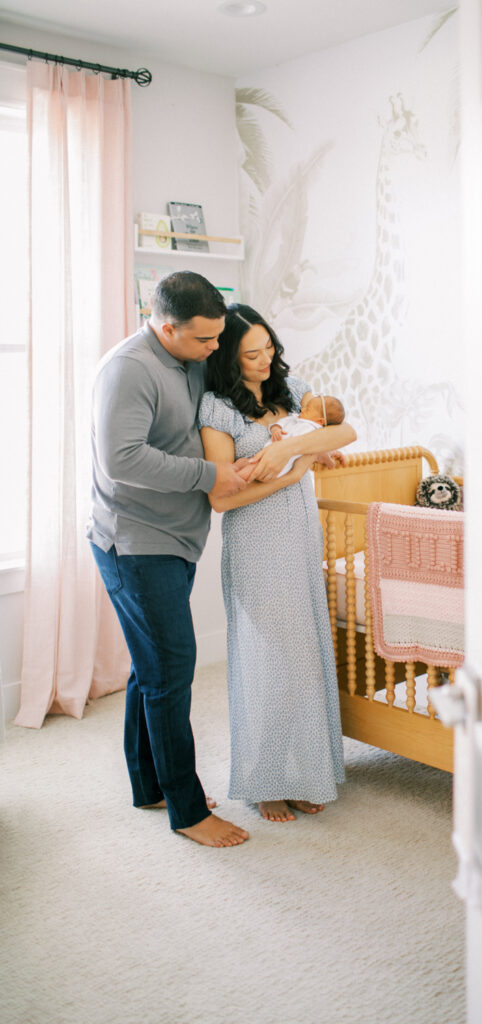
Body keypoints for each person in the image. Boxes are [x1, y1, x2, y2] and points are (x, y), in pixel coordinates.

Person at [88, 271, 251, 849]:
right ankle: (186, 809)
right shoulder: (129, 370)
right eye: (204, 341)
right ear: (165, 327)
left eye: (218, 337)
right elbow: (121, 459)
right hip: (136, 541)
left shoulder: (195, 354)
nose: (215, 349)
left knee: (150, 668)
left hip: (177, 537)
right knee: (172, 671)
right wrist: (211, 475)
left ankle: (148, 785)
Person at [199, 303, 357, 823]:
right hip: (255, 542)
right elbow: (221, 500)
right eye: (251, 354)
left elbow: (344, 431)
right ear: (228, 356)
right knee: (268, 662)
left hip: (298, 535)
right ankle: (265, 781)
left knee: (304, 660)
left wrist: (300, 450)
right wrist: (293, 472)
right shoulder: (218, 409)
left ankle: (305, 773)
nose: (265, 360)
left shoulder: (294, 390)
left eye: (269, 348)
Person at [248, 393, 346, 477]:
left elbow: (316, 444)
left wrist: (328, 451)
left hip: (277, 464)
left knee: (251, 470)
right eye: (305, 407)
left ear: (320, 421)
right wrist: (276, 428)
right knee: (246, 463)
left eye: (307, 410)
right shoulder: (296, 419)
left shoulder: (312, 430)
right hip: (266, 451)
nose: (302, 409)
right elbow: (282, 422)